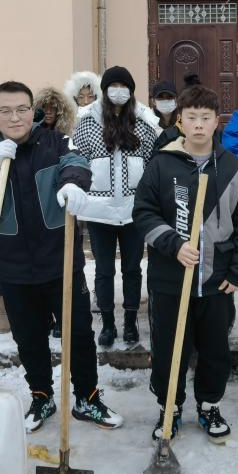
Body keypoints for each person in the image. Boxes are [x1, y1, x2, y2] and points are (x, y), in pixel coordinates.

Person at [0, 81, 123, 431]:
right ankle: (41, 396)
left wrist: (72, 182)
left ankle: (87, 398)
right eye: (5, 111)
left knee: (78, 334)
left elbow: (77, 162)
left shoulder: (55, 141)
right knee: (29, 339)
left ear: (32, 111)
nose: (14, 117)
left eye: (21, 109)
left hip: (61, 262)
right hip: (14, 268)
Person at [133, 84, 238, 443]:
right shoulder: (162, 164)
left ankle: (209, 404)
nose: (199, 124)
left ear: (217, 121)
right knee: (169, 347)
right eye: (192, 117)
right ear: (180, 121)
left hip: (216, 281)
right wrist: (173, 245)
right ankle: (169, 406)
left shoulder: (233, 168)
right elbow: (143, 212)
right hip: (170, 280)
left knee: (215, 348)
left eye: (206, 117)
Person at [72, 66, 160, 348]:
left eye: (124, 86)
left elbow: (152, 163)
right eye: (114, 85)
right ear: (105, 90)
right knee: (103, 270)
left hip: (134, 210)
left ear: (131, 91)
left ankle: (130, 320)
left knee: (132, 268)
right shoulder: (88, 121)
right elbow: (77, 159)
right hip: (100, 210)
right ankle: (108, 322)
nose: (119, 91)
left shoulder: (143, 122)